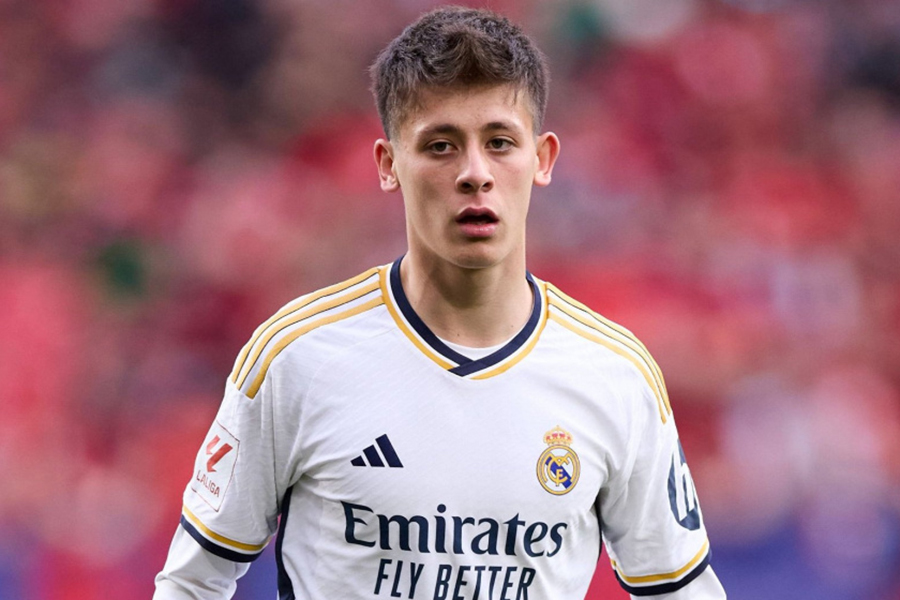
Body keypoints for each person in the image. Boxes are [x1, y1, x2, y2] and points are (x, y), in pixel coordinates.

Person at [154, 6, 727, 599]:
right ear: (389, 165)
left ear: (542, 159)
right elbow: (192, 583)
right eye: (441, 146)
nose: (475, 173)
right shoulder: (297, 358)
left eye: (500, 142)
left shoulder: (615, 376)